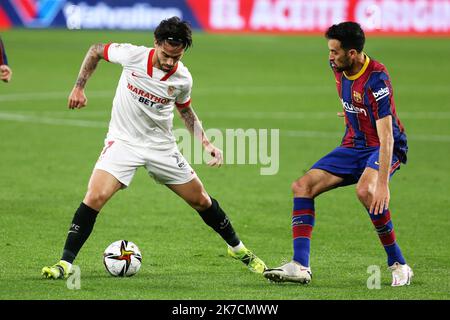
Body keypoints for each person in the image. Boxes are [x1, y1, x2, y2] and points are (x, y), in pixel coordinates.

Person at [42, 17, 266, 279]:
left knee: (201, 200)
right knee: (94, 196)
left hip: (161, 147)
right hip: (123, 142)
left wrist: (205, 142)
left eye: (177, 56)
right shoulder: (131, 55)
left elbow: (186, 110)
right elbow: (95, 50)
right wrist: (79, 87)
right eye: (166, 55)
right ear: (156, 43)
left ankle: (237, 249)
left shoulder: (183, 78)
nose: (170, 62)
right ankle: (65, 263)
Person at [263, 22, 413, 287]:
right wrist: (354, 111)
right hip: (353, 144)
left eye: (335, 51)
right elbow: (354, 98)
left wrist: (383, 185)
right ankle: (300, 265)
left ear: (352, 53)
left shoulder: (377, 79)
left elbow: (387, 135)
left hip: (383, 145)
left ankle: (399, 264)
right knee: (302, 187)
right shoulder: (338, 68)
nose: (330, 56)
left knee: (367, 191)